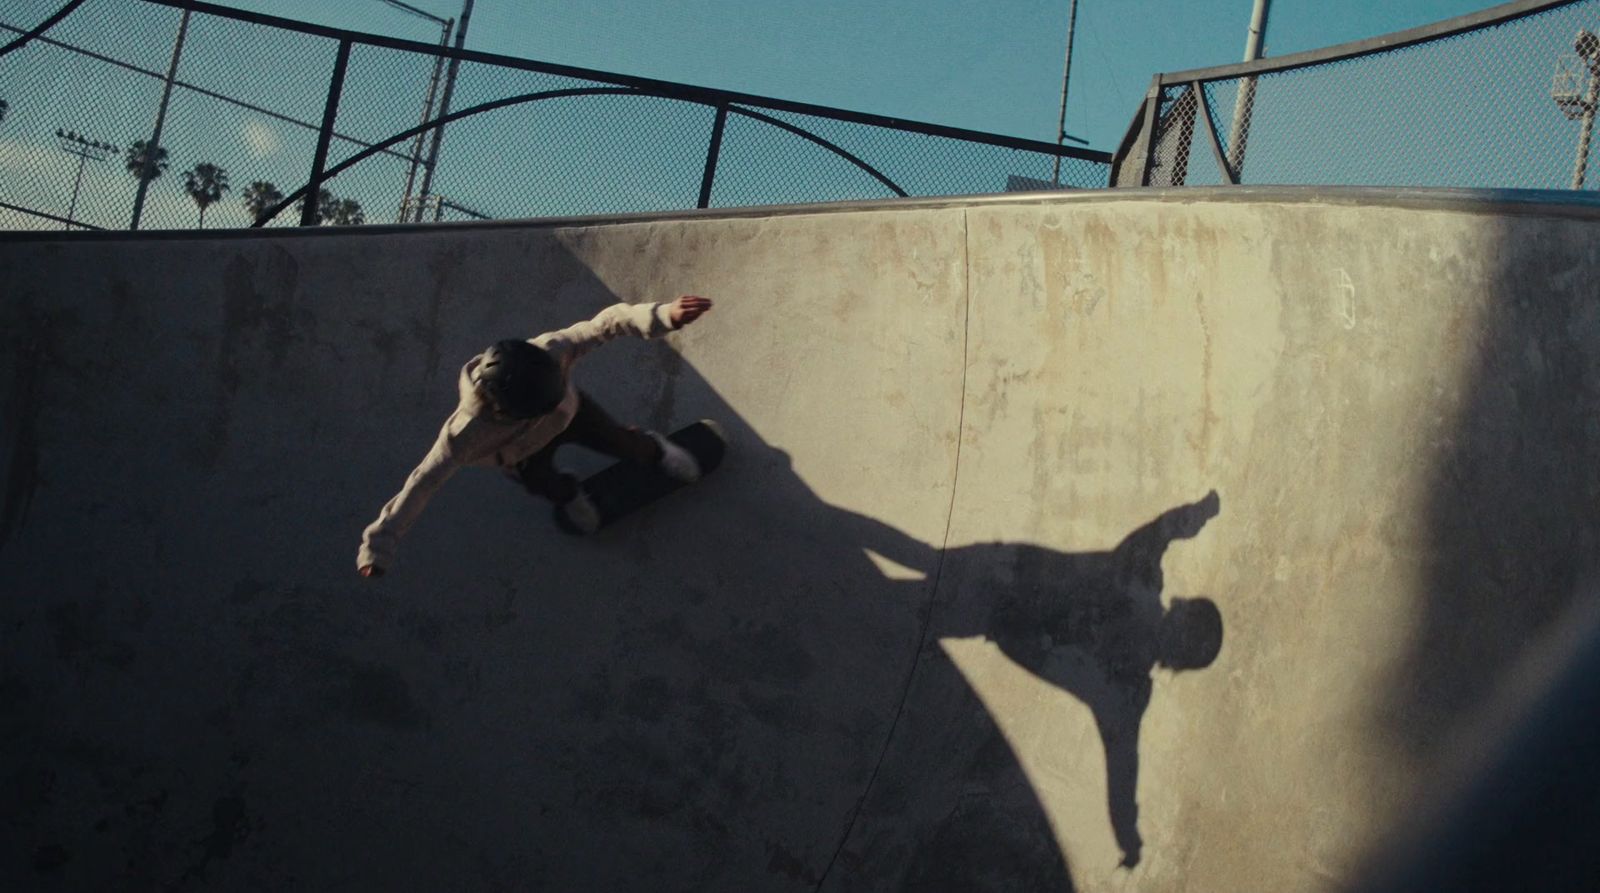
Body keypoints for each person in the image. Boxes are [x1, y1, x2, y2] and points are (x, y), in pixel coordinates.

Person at [357, 295, 714, 577]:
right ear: (505, 412)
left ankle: (657, 452)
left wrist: (664, 314)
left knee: (622, 442)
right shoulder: (463, 435)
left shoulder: (550, 349)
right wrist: (378, 548)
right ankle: (571, 492)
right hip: (518, 453)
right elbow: (423, 483)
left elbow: (604, 324)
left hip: (572, 414)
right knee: (547, 485)